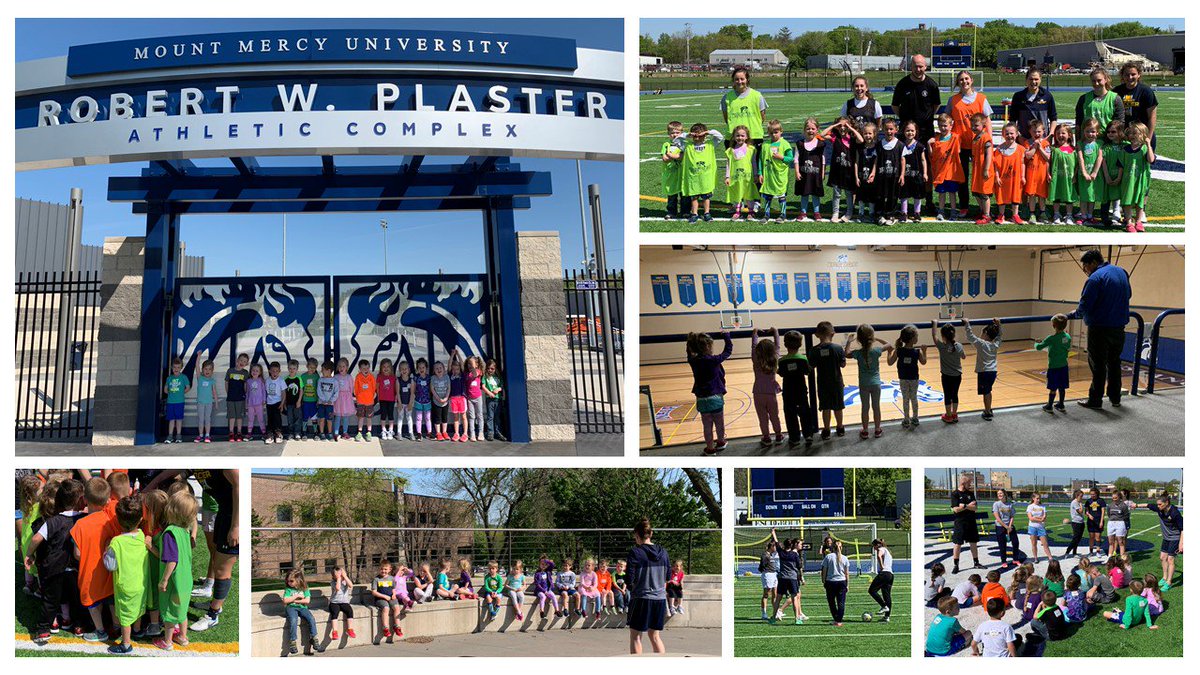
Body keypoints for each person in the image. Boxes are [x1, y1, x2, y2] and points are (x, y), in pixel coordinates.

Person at [25, 479, 85, 645]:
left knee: (50, 601)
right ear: (80, 500)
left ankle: (44, 630)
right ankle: (79, 626)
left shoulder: (52, 521)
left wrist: (29, 554)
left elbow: (37, 538)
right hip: (75, 569)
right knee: (77, 599)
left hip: (53, 569)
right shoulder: (84, 519)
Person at [1073, 249, 1132, 409]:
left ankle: (1095, 400)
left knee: (1098, 365)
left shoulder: (1095, 278)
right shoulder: (1122, 272)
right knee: (1114, 363)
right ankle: (1115, 398)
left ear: (1092, 263)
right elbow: (1129, 295)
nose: (1085, 272)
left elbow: (1085, 304)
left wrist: (1074, 314)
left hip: (1099, 328)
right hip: (1119, 327)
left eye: (1085, 268)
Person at [70, 477, 121, 642]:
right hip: (108, 572)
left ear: (85, 499)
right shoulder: (109, 520)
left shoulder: (79, 525)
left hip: (89, 575)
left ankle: (100, 631)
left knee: (93, 605)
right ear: (107, 500)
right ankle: (116, 627)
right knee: (111, 600)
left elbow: (77, 554)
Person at [104, 495, 147, 654]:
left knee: (125, 617)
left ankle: (126, 644)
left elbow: (110, 565)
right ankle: (137, 630)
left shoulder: (116, 542)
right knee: (138, 609)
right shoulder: (143, 536)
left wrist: (106, 549)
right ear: (141, 519)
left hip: (125, 587)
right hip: (141, 584)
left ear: (118, 521)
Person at [946, 71, 994, 218]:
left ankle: (983, 208)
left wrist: (989, 141)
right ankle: (964, 206)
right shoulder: (952, 100)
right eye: (961, 79)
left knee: (980, 176)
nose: (964, 81)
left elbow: (988, 121)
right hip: (960, 145)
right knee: (962, 177)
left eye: (966, 78)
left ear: (971, 80)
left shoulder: (981, 98)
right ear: (957, 82)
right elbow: (947, 121)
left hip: (978, 145)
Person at [153, 489, 196, 650]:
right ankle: (183, 637)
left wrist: (164, 580)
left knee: (170, 613)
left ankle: (168, 642)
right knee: (182, 610)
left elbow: (171, 560)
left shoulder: (169, 533)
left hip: (174, 581)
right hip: (186, 580)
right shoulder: (185, 532)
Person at [627, 517, 670, 655]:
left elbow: (629, 578)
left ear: (637, 535)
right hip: (659, 599)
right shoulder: (663, 552)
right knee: (655, 636)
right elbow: (667, 576)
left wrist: (632, 587)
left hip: (641, 598)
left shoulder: (635, 552)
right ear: (650, 534)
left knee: (636, 636)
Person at [687, 331, 732, 455]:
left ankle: (710, 448)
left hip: (701, 399)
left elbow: (688, 354)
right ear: (707, 347)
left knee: (707, 426)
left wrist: (689, 341)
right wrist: (726, 336)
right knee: (719, 423)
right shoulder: (714, 360)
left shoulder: (694, 361)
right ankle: (721, 441)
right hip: (716, 397)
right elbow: (728, 351)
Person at [846, 324, 892, 439]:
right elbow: (889, 344)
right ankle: (877, 430)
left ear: (859, 340)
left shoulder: (857, 353)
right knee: (876, 407)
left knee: (865, 408)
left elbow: (846, 353)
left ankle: (865, 431)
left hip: (864, 384)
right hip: (876, 384)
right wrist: (877, 338)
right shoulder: (877, 350)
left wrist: (849, 342)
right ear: (871, 338)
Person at [891, 54, 941, 149]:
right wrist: (905, 118)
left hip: (925, 130)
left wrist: (926, 116)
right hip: (906, 131)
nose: (918, 70)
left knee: (926, 160)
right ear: (911, 67)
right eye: (915, 66)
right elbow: (895, 106)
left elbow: (936, 104)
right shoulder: (902, 84)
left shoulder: (932, 85)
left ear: (925, 67)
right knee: (906, 160)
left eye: (920, 66)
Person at [807, 321, 846, 439]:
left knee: (825, 407)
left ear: (817, 335)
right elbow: (843, 364)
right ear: (833, 334)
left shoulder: (814, 350)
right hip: (837, 382)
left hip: (822, 384)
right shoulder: (838, 348)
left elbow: (810, 366)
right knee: (838, 407)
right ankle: (840, 428)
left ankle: (826, 430)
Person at [778, 330, 817, 449]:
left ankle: (794, 438)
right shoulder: (803, 359)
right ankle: (808, 435)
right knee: (805, 412)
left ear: (785, 344)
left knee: (790, 415)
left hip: (788, 392)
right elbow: (807, 371)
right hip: (801, 391)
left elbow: (781, 373)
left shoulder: (782, 361)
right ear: (800, 344)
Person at [680, 122, 723, 223]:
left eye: (700, 134)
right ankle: (694, 213)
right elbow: (676, 140)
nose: (697, 137)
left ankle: (707, 213)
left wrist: (707, 132)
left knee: (706, 197)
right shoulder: (688, 146)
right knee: (694, 197)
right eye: (695, 134)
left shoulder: (710, 145)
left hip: (706, 177)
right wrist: (688, 134)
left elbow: (720, 136)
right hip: (693, 177)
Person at [1137, 494, 1183, 590]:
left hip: (1175, 538)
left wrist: (1181, 543)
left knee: (1170, 559)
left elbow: (1183, 528)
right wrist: (1136, 505)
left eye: (1160, 504)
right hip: (1166, 538)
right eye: (1157, 504)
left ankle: (1169, 582)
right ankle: (1164, 577)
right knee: (1162, 557)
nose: (1158, 506)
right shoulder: (1160, 509)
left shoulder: (1175, 513)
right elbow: (1148, 505)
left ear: (1166, 503)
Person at [961, 316, 1002, 420]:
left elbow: (970, 336)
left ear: (985, 334)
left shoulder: (981, 344)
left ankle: (987, 412)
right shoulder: (995, 345)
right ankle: (989, 408)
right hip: (993, 371)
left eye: (982, 333)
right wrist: (999, 325)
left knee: (986, 393)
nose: (980, 335)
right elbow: (999, 336)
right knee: (988, 391)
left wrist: (967, 325)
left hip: (984, 372)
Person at [887, 324, 926, 428]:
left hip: (903, 379)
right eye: (916, 336)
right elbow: (924, 362)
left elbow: (890, 362)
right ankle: (915, 418)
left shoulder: (899, 350)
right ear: (913, 338)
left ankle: (906, 419)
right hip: (914, 379)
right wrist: (925, 351)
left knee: (905, 399)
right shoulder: (917, 351)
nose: (917, 338)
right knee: (914, 398)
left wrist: (889, 352)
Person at [720, 66, 767, 153]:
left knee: (754, 166)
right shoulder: (726, 98)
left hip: (754, 137)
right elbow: (726, 119)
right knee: (735, 165)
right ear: (733, 81)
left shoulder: (757, 96)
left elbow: (762, 117)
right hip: (733, 138)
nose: (739, 81)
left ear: (747, 79)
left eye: (742, 79)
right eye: (736, 79)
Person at [1119, 121, 1156, 232]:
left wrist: (1149, 145)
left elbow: (1151, 160)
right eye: (1132, 133)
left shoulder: (1144, 149)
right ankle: (1129, 222)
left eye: (1137, 133)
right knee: (1128, 201)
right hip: (1128, 180)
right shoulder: (1125, 150)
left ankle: (1138, 222)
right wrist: (1118, 178)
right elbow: (1121, 165)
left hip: (1141, 180)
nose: (1134, 136)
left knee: (1140, 201)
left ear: (1144, 135)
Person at [824, 118, 862, 222]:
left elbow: (861, 139)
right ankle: (835, 213)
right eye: (840, 126)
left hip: (849, 172)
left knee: (849, 194)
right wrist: (835, 125)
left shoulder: (853, 139)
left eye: (845, 126)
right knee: (836, 194)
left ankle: (849, 212)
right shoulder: (835, 138)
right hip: (837, 172)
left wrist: (850, 127)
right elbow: (822, 134)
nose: (843, 128)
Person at [1113, 63, 1159, 149]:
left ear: (1139, 75)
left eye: (1133, 74)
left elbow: (1152, 117)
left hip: (1142, 134)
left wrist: (1148, 137)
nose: (1130, 77)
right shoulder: (1116, 91)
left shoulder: (1146, 91)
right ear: (1122, 76)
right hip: (1123, 136)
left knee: (1143, 161)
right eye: (1127, 75)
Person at [928, 113, 965, 221]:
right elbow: (933, 155)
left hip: (951, 171)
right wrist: (928, 144)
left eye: (945, 125)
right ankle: (941, 211)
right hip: (940, 171)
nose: (943, 128)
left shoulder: (955, 137)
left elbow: (958, 151)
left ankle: (953, 211)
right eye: (940, 125)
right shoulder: (937, 138)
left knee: (952, 192)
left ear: (951, 125)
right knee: (941, 192)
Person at [750, 327, 783, 447]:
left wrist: (755, 334)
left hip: (758, 393)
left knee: (762, 418)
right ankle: (778, 435)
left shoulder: (755, 359)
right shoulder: (774, 359)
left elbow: (753, 347)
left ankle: (767, 437)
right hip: (771, 394)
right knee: (775, 416)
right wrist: (775, 332)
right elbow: (778, 346)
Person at [769, 529, 808, 624]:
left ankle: (774, 617)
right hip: (792, 578)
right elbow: (799, 567)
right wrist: (801, 577)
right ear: (792, 545)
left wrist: (773, 533)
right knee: (794, 598)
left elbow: (777, 542)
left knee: (778, 598)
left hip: (782, 578)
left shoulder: (781, 553)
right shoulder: (795, 555)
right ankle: (797, 619)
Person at [1009, 66, 1059, 142]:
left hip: (1043, 140)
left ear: (1040, 80)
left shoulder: (1047, 96)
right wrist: (1018, 135)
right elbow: (1012, 119)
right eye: (1031, 79)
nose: (1033, 82)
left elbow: (1053, 118)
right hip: (1023, 140)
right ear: (1026, 80)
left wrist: (1051, 134)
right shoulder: (1018, 96)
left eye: (1036, 79)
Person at [1036, 314, 1072, 412]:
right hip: (1064, 366)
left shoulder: (1051, 338)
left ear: (1053, 326)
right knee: (1062, 386)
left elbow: (1039, 347)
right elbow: (1062, 344)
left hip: (1053, 367)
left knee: (1053, 387)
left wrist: (1037, 343)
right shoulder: (1068, 337)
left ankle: (1049, 406)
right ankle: (1061, 404)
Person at [931, 318, 965, 423]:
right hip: (957, 375)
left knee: (947, 395)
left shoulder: (942, 346)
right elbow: (963, 357)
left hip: (946, 376)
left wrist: (935, 324)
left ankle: (948, 415)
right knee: (955, 394)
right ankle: (954, 414)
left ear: (943, 336)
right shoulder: (958, 346)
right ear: (953, 335)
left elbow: (934, 336)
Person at [282, 570, 324, 655]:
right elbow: (285, 600)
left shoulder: (304, 588)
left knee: (311, 618)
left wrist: (295, 601)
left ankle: (314, 638)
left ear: (298, 580)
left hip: (302, 608)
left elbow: (307, 600)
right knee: (293, 620)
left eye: (291, 581)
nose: (289, 582)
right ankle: (292, 642)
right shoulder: (288, 589)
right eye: (288, 580)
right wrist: (297, 596)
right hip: (291, 608)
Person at [991, 122, 1025, 224]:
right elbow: (996, 165)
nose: (1009, 136)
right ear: (1003, 134)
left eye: (1011, 133)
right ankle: (1001, 215)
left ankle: (1015, 215)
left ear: (1016, 134)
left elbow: (1023, 163)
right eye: (1007, 133)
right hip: (1003, 178)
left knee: (1016, 195)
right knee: (1002, 196)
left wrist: (1022, 176)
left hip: (1016, 178)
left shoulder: (1021, 149)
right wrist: (997, 177)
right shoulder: (999, 149)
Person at [792, 117, 826, 221]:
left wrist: (823, 172)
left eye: (813, 128)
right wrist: (797, 171)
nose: (810, 131)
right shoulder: (800, 143)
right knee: (804, 193)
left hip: (816, 174)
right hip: (804, 174)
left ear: (817, 130)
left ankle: (816, 212)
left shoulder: (821, 144)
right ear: (804, 130)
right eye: (808, 129)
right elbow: (796, 159)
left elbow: (823, 159)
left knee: (816, 193)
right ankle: (803, 212)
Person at [759, 120, 792, 222]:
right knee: (768, 195)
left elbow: (790, 158)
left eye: (776, 132)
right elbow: (761, 159)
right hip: (768, 175)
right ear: (768, 133)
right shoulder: (765, 145)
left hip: (779, 176)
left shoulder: (784, 144)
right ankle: (766, 214)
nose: (773, 135)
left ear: (781, 131)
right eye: (771, 132)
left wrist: (781, 157)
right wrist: (760, 173)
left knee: (781, 195)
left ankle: (782, 214)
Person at [725, 125, 760, 220]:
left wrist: (756, 174)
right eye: (737, 136)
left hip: (748, 178)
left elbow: (754, 163)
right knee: (737, 194)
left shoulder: (751, 149)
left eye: (742, 135)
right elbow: (728, 164)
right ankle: (737, 211)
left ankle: (751, 212)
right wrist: (727, 176)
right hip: (735, 177)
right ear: (733, 137)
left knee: (749, 195)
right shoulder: (730, 151)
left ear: (747, 136)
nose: (740, 138)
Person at [1075, 67, 1125, 133]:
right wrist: (1078, 140)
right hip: (1089, 140)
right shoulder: (1083, 98)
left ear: (1105, 80)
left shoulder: (1115, 98)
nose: (1096, 83)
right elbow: (1079, 122)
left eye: (1099, 80)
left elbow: (1119, 122)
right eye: (1093, 81)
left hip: (1108, 140)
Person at [874, 118, 904, 225]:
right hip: (881, 176)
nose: (889, 131)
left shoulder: (900, 144)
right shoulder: (879, 144)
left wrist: (902, 175)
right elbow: (876, 159)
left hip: (894, 175)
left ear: (896, 129)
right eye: (887, 129)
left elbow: (902, 160)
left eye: (891, 129)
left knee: (893, 195)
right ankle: (879, 214)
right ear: (883, 129)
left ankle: (890, 214)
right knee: (880, 195)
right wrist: (873, 173)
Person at [949, 474, 981, 573]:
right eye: (969, 483)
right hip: (960, 522)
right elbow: (955, 510)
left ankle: (976, 562)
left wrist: (964, 506)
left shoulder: (970, 494)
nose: (970, 485)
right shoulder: (955, 494)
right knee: (958, 543)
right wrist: (968, 506)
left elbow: (975, 508)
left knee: (973, 542)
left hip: (971, 521)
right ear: (963, 483)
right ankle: (956, 565)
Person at [1076, 118, 1105, 225]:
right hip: (1083, 174)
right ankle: (1083, 215)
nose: (1090, 134)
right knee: (1084, 195)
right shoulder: (1080, 143)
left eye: (1093, 131)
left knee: (1092, 195)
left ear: (1097, 132)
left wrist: (1094, 172)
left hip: (1095, 175)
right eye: (1087, 131)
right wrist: (1084, 172)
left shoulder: (1100, 143)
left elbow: (1099, 158)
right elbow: (1080, 158)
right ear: (1084, 131)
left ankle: (1090, 215)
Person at [967, 113, 995, 224]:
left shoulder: (986, 137)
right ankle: (983, 211)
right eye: (972, 125)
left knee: (984, 193)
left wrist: (986, 169)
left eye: (976, 125)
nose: (973, 128)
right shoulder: (975, 138)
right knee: (976, 191)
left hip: (984, 169)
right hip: (976, 169)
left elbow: (989, 154)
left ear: (983, 125)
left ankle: (987, 215)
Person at [899, 120, 928, 222]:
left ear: (916, 132)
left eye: (912, 130)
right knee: (904, 194)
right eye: (907, 130)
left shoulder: (920, 146)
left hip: (917, 174)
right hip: (905, 175)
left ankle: (917, 212)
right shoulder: (900, 145)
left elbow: (923, 160)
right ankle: (904, 212)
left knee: (917, 194)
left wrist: (925, 173)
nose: (910, 133)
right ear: (903, 131)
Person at [1023, 119, 1052, 223]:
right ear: (1030, 131)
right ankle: (1032, 213)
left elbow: (1048, 157)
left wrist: (1040, 148)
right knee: (1031, 194)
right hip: (1031, 172)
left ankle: (1043, 212)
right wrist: (1034, 147)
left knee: (1041, 194)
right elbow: (1027, 156)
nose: (1037, 134)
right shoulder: (1027, 142)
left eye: (1039, 131)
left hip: (1042, 173)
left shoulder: (1045, 143)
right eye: (1034, 131)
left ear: (1043, 131)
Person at [821, 540, 850, 627]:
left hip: (830, 581)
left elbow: (824, 571)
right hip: (842, 581)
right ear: (841, 547)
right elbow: (847, 573)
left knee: (831, 602)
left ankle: (836, 619)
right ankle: (839, 620)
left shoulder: (828, 557)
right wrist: (847, 584)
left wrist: (823, 581)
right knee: (841, 602)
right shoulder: (845, 558)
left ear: (832, 547)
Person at [661, 121, 685, 220]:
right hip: (671, 175)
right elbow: (665, 159)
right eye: (672, 133)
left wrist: (671, 155)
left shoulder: (684, 145)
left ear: (681, 133)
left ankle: (685, 212)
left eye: (677, 133)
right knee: (672, 195)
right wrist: (675, 156)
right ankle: (671, 212)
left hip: (682, 174)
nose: (674, 135)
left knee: (684, 195)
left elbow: (683, 157)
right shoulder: (666, 145)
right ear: (668, 134)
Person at [163, 357, 190, 444]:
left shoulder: (183, 377)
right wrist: (170, 393)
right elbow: (165, 389)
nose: (176, 369)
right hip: (171, 402)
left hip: (179, 402)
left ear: (181, 368)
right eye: (174, 367)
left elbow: (188, 387)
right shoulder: (169, 378)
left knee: (179, 419)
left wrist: (181, 393)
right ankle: (170, 436)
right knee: (171, 419)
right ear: (171, 368)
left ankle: (178, 435)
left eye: (178, 367)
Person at [992, 489, 1022, 567]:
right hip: (1000, 527)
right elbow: (997, 518)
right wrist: (1006, 527)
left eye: (1001, 493)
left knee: (1015, 543)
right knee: (1002, 545)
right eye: (998, 493)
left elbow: (1012, 516)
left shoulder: (1009, 504)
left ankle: (1015, 559)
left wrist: (1009, 526)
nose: (999, 495)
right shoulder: (996, 504)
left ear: (1005, 494)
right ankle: (1004, 561)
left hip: (1010, 526)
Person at [224, 352, 249, 442]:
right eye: (241, 360)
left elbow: (246, 385)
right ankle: (231, 432)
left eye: (245, 361)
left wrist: (245, 395)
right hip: (231, 398)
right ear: (237, 360)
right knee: (232, 416)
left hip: (240, 398)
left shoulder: (245, 373)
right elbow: (226, 382)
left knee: (239, 416)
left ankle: (239, 432)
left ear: (246, 364)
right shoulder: (230, 371)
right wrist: (228, 393)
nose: (242, 362)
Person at [327, 566, 356, 640]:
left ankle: (350, 629)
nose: (341, 576)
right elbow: (338, 588)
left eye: (341, 574)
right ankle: (335, 632)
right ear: (334, 576)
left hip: (344, 602)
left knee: (349, 611)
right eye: (338, 575)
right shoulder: (333, 582)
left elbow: (351, 585)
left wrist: (345, 577)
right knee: (335, 613)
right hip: (334, 603)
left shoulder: (345, 581)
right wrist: (339, 578)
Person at [868, 538, 894, 621]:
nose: (874, 548)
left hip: (884, 573)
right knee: (887, 596)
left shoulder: (881, 549)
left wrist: (882, 566)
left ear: (877, 545)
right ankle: (887, 617)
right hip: (890, 575)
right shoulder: (888, 551)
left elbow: (879, 556)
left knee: (872, 590)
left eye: (874, 546)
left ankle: (883, 606)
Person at [482, 359, 506, 442]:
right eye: (488, 368)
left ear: (495, 369)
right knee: (490, 417)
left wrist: (499, 389)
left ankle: (498, 432)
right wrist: (489, 393)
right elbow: (483, 386)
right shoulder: (485, 376)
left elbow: (502, 385)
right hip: (490, 400)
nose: (490, 370)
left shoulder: (498, 377)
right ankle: (490, 433)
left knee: (497, 417)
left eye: (492, 368)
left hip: (497, 399)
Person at [463, 355, 486, 442]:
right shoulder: (467, 374)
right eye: (468, 364)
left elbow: (475, 374)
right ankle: (472, 433)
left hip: (478, 397)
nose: (470, 365)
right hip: (470, 398)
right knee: (472, 416)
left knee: (479, 415)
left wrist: (473, 367)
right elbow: (470, 376)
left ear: (476, 365)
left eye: (471, 364)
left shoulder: (478, 371)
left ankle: (481, 432)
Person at [1026, 493, 1053, 564]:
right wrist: (1040, 519)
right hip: (1032, 527)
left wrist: (1036, 518)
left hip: (1041, 527)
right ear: (1033, 498)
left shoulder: (1043, 506)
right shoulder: (1030, 506)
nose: (1038, 500)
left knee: (1045, 544)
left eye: (1039, 498)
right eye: (1037, 498)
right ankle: (1035, 558)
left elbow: (1044, 517)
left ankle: (1050, 557)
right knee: (1034, 543)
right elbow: (1031, 518)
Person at [333, 357, 355, 440]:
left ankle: (345, 432)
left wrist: (349, 396)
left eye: (343, 366)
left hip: (346, 399)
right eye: (340, 366)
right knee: (338, 416)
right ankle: (336, 432)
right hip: (338, 398)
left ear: (347, 367)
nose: (341, 368)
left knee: (346, 417)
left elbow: (351, 388)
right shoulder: (335, 377)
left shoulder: (349, 377)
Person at [316, 361, 338, 441]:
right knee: (321, 419)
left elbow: (336, 392)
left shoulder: (334, 381)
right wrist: (323, 400)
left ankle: (329, 433)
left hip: (330, 405)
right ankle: (321, 433)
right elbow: (319, 391)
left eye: (323, 370)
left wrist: (331, 400)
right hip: (322, 403)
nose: (321, 371)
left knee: (329, 420)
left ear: (329, 371)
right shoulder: (320, 380)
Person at [264, 361, 285, 444]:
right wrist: (265, 401)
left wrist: (282, 403)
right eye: (273, 371)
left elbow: (283, 393)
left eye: (276, 371)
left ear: (279, 371)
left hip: (278, 402)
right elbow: (265, 391)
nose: (274, 373)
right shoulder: (267, 380)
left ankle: (278, 434)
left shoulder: (281, 380)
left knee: (277, 419)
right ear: (269, 371)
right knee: (270, 419)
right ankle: (270, 435)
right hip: (269, 403)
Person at [758, 540, 779, 620]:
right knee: (766, 594)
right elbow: (761, 566)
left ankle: (775, 612)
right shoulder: (765, 555)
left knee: (775, 594)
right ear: (771, 547)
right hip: (768, 574)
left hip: (774, 574)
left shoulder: (772, 554)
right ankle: (764, 613)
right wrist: (765, 571)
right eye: (775, 546)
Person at [245, 362, 266, 441]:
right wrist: (246, 403)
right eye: (253, 370)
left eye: (257, 371)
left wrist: (264, 400)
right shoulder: (248, 381)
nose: (255, 372)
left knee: (261, 419)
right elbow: (247, 392)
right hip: (251, 404)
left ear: (260, 372)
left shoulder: (261, 381)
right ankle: (249, 434)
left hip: (259, 403)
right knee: (250, 419)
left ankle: (264, 433)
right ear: (251, 371)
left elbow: (264, 391)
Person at [376, 358, 396, 440]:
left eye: (388, 366)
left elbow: (395, 388)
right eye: (384, 366)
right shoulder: (379, 376)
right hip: (382, 399)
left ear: (391, 368)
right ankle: (383, 430)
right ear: (381, 368)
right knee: (383, 415)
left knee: (391, 415)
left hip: (391, 399)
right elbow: (377, 387)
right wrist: (378, 396)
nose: (386, 368)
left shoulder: (393, 377)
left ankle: (391, 430)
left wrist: (396, 397)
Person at [430, 360, 451, 441]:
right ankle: (438, 433)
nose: (439, 370)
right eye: (436, 368)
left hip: (445, 401)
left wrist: (446, 398)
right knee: (437, 417)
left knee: (445, 417)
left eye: (440, 368)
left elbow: (449, 388)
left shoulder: (447, 377)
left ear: (443, 369)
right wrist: (438, 399)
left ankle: (444, 432)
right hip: (436, 401)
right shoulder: (433, 378)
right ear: (434, 371)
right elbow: (432, 389)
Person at [284, 359, 303, 442]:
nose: (292, 370)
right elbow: (284, 392)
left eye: (294, 368)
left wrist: (299, 401)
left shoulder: (299, 379)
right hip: (289, 403)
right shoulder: (285, 379)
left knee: (298, 418)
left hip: (297, 403)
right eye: (290, 368)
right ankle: (291, 433)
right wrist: (284, 402)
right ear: (288, 368)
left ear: (297, 369)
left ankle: (297, 432)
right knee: (290, 419)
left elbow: (301, 390)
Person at [300, 358, 320, 439]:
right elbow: (301, 389)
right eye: (310, 367)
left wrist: (318, 399)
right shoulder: (303, 376)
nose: (312, 369)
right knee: (305, 417)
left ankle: (315, 432)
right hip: (305, 401)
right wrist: (300, 400)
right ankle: (304, 432)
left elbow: (318, 388)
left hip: (314, 401)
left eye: (314, 368)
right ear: (307, 366)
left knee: (314, 418)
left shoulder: (316, 376)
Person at [1085, 487, 1108, 556]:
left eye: (1093, 494)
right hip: (1090, 522)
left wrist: (1101, 521)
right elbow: (1086, 511)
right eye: (1091, 494)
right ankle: (1091, 552)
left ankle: (1098, 551)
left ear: (1097, 494)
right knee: (1091, 537)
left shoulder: (1101, 501)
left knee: (1098, 537)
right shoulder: (1088, 501)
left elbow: (1103, 511)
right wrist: (1089, 515)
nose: (1092, 495)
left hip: (1098, 521)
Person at [1063, 489, 1087, 557]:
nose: (1082, 498)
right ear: (1077, 496)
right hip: (1076, 523)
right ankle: (1067, 552)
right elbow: (1080, 511)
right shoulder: (1075, 502)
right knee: (1075, 538)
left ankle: (1074, 552)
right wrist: (1081, 504)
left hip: (1081, 522)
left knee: (1078, 539)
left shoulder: (1078, 502)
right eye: (1081, 496)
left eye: (1082, 496)